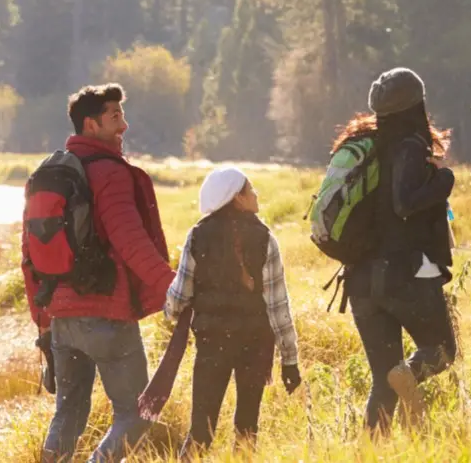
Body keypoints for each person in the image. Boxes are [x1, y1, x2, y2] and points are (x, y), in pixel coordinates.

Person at [27, 84, 176, 463]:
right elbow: (131, 240)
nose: (124, 125)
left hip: (61, 317)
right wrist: (174, 287)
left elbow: (28, 257)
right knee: (137, 413)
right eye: (115, 117)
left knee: (68, 413)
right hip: (107, 315)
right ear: (90, 124)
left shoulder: (48, 175)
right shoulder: (110, 173)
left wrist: (43, 320)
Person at [335, 67, 458, 431]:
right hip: (403, 274)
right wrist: (444, 181)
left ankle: (373, 451)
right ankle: (407, 376)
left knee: (382, 380)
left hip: (360, 280)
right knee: (441, 353)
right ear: (417, 104)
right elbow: (405, 203)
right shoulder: (408, 146)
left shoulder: (366, 147)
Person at [162, 166, 301, 457]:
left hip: (212, 344)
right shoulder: (265, 237)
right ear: (236, 197)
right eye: (250, 190)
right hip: (256, 344)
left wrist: (171, 312)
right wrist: (290, 360)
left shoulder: (198, 235)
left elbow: (178, 297)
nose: (256, 194)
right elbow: (278, 307)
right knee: (247, 428)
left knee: (201, 429)